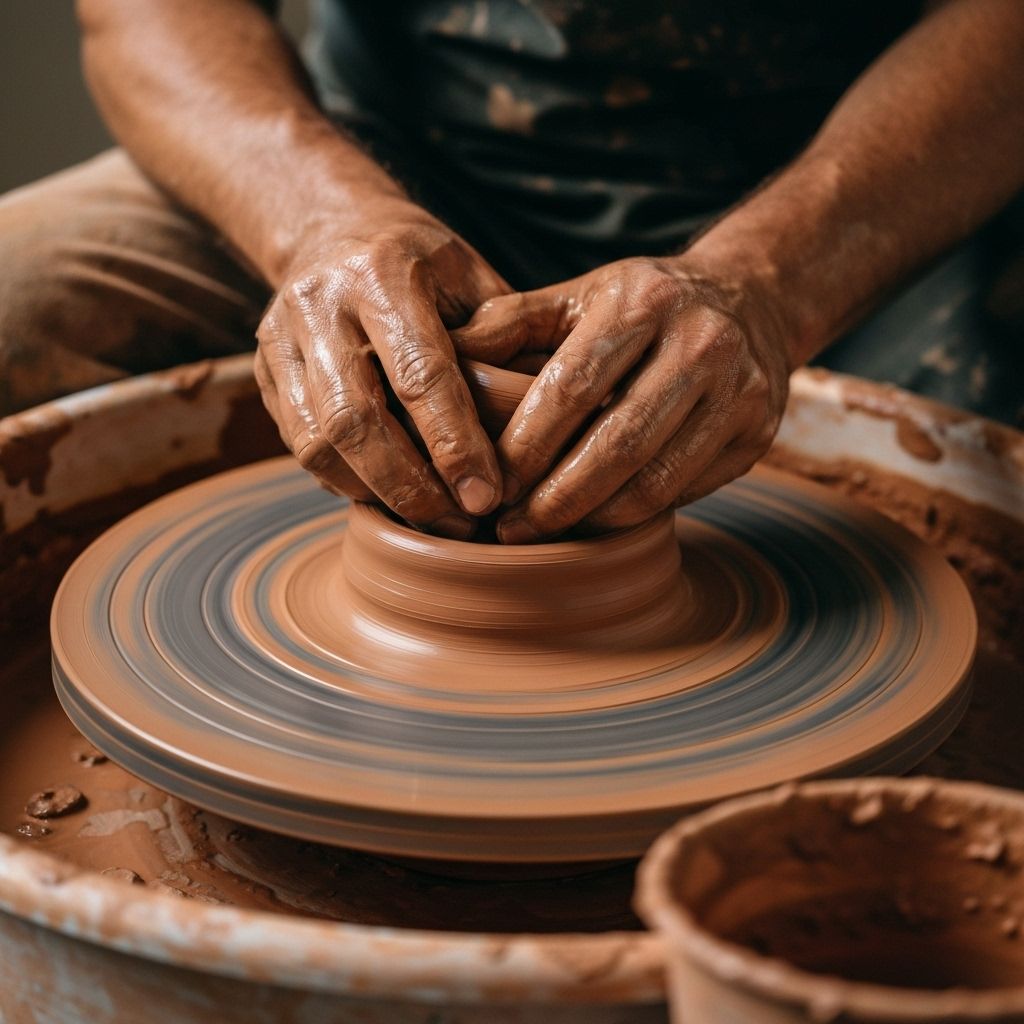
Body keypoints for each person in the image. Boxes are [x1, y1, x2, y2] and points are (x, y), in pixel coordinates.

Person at [1, 1, 1022, 543]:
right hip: (387, 162)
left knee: (984, 487)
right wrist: (323, 221)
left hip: (861, 191)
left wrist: (767, 280)